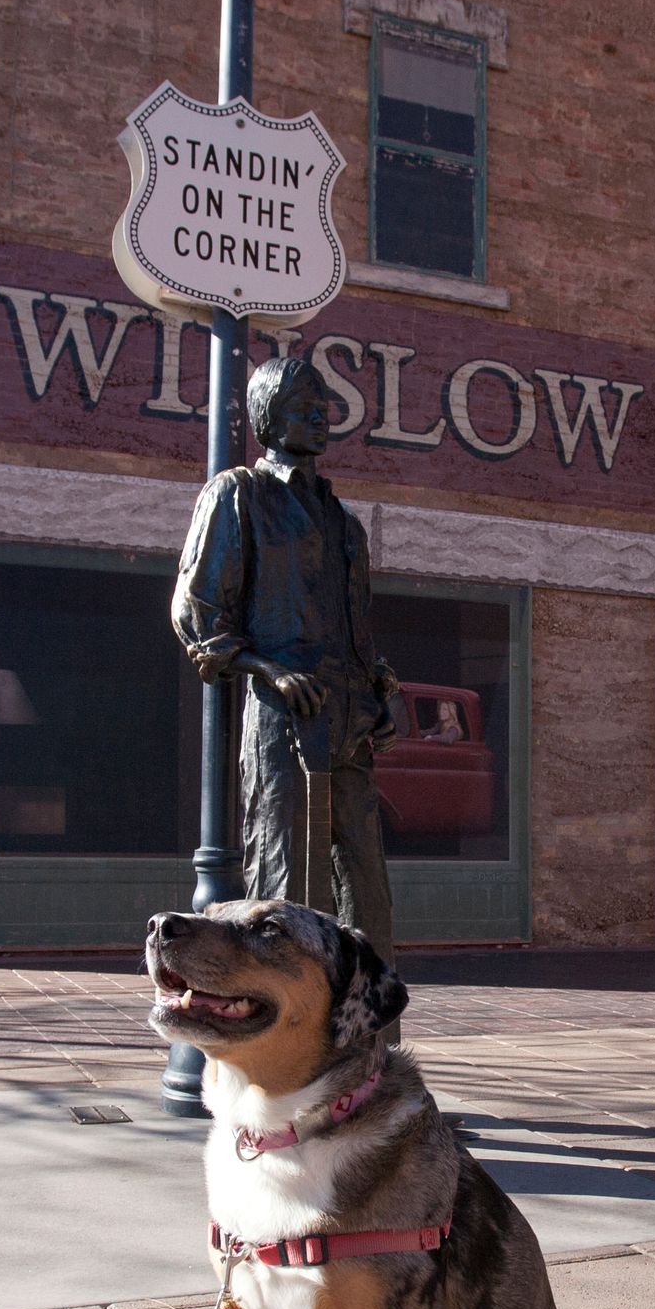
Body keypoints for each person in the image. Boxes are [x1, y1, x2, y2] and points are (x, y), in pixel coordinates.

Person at [171, 357, 398, 960]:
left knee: (368, 892)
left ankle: (367, 1039)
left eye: (324, 410)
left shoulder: (345, 523)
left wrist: (380, 692)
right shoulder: (239, 495)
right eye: (303, 409)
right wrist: (265, 669)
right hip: (283, 717)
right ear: (269, 420)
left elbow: (358, 629)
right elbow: (197, 609)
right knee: (287, 882)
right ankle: (283, 1041)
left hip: (349, 720)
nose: (319, 419)